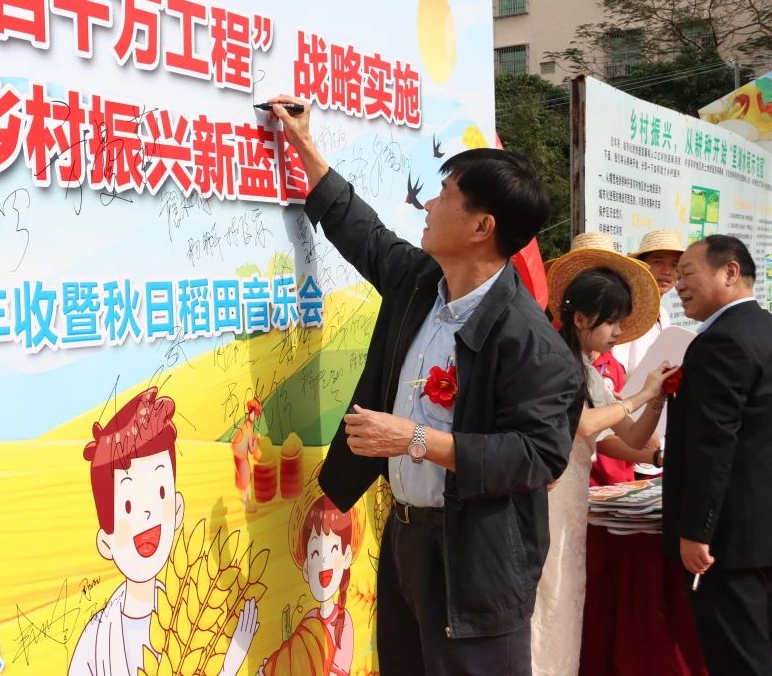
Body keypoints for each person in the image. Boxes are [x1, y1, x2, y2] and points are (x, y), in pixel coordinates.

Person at [266, 94, 584, 675]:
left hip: (478, 559)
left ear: (482, 227)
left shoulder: (531, 341)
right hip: (407, 539)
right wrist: (304, 144)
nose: (430, 204)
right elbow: (361, 231)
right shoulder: (420, 284)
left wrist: (414, 439)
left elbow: (538, 456)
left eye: (445, 195)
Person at [532, 244, 676, 676]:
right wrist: (640, 395)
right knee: (547, 597)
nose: (618, 332)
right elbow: (584, 424)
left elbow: (630, 436)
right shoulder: (554, 363)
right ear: (581, 319)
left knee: (567, 596)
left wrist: (656, 399)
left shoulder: (588, 369)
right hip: (548, 498)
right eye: (612, 321)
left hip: (573, 500)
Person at [70, 387, 259, 676]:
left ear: (177, 509)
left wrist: (231, 664)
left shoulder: (194, 614)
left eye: (159, 493)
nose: (147, 513)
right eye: (129, 504)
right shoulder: (96, 640)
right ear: (106, 542)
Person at [664, 235, 772, 675]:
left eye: (688, 273)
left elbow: (713, 444)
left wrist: (697, 531)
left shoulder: (721, 342)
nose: (678, 285)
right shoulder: (764, 328)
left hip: (728, 541)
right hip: (759, 530)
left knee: (739, 659)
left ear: (729, 272)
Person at [259, 466, 364, 676]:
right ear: (306, 568)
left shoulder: (343, 624)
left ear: (346, 556)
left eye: (332, 549)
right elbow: (294, 662)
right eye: (315, 553)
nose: (323, 559)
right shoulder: (309, 621)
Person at [613, 229, 686, 480]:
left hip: (656, 429)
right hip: (626, 433)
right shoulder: (629, 316)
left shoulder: (663, 315)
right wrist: (639, 426)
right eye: (658, 262)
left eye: (674, 265)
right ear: (642, 266)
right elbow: (615, 379)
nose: (667, 271)